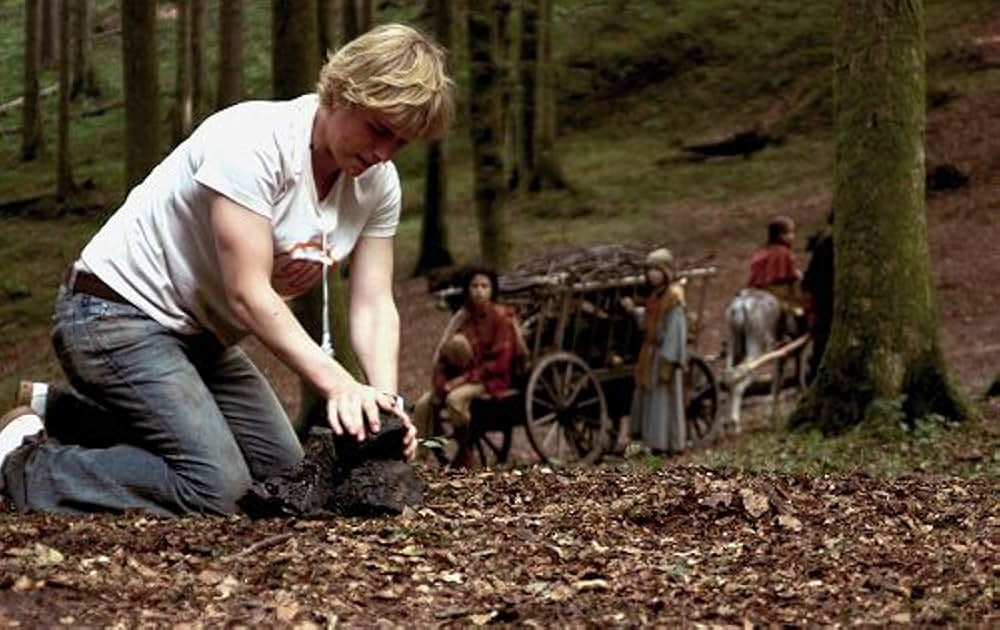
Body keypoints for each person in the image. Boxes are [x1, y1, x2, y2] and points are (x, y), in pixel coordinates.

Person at [0, 24, 454, 516]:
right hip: (109, 315)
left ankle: (63, 415)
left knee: (284, 475)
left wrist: (384, 402)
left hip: (200, 338)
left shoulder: (378, 184)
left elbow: (374, 302)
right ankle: (21, 464)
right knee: (216, 489)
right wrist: (340, 383)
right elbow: (248, 293)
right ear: (343, 92)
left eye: (401, 142)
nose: (384, 153)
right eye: (379, 129)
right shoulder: (253, 140)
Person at [412, 267, 525, 467]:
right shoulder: (463, 318)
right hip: (461, 378)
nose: (479, 291)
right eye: (474, 286)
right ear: (468, 289)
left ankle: (465, 448)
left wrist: (460, 381)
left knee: (455, 400)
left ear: (492, 290)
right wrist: (440, 385)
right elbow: (444, 357)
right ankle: (421, 457)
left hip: (489, 380)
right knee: (423, 404)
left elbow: (500, 364)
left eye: (484, 286)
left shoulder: (502, 318)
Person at [623, 248, 688, 455]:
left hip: (664, 354)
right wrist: (634, 311)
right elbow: (649, 320)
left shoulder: (673, 297)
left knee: (663, 397)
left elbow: (675, 329)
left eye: (656, 270)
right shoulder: (655, 296)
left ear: (666, 272)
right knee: (650, 396)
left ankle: (667, 442)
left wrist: (668, 359)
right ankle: (652, 440)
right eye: (649, 270)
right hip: (650, 353)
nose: (652, 274)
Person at [748, 215, 805, 337]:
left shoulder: (762, 251)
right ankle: (793, 335)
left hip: (757, 292)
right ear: (781, 235)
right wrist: (798, 275)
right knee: (799, 312)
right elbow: (791, 275)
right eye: (790, 233)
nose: (793, 236)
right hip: (778, 294)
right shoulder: (784, 253)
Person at [801, 212, 834, 383]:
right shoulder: (826, 247)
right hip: (827, 306)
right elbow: (810, 282)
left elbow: (808, 282)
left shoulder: (824, 246)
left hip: (824, 306)